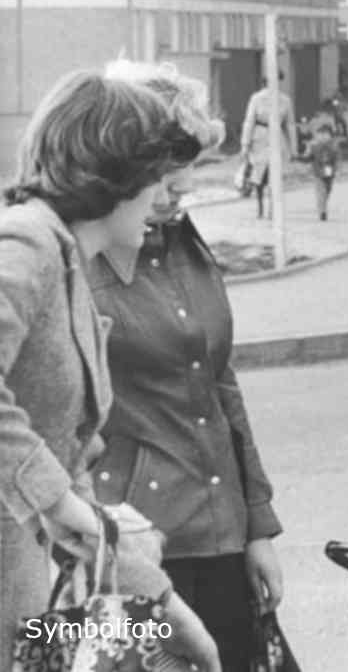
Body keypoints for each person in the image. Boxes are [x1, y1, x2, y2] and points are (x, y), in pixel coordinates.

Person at [0, 68, 220, 672]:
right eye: (155, 176)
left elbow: (63, 473)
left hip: (27, 601)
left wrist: (167, 605)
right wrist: (61, 505)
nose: (164, 194)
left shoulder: (69, 260)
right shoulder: (30, 241)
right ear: (115, 173)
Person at [89, 59, 285, 672]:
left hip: (219, 538)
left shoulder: (185, 244)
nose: (181, 197)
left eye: (187, 180)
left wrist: (256, 527)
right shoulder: (74, 263)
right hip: (131, 547)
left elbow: (221, 384)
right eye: (167, 184)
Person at [240, 72, 293, 220]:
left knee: (274, 176)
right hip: (259, 138)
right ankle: (260, 207)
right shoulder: (256, 98)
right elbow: (249, 121)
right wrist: (245, 144)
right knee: (259, 176)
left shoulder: (285, 100)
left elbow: (290, 124)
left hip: (277, 138)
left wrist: (292, 148)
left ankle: (272, 209)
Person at [307, 122, 341, 220]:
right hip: (318, 170)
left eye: (325, 133)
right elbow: (309, 156)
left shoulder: (333, 145)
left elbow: (337, 157)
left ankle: (323, 206)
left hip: (329, 170)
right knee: (321, 190)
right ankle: (322, 211)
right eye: (321, 133)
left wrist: (337, 167)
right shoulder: (314, 145)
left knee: (327, 190)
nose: (323, 136)